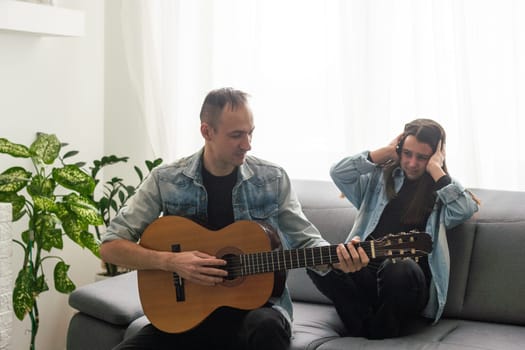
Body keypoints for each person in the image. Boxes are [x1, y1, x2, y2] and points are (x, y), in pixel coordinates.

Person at [99, 87, 363, 350]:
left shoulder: (272, 179)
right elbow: (111, 246)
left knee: (266, 328)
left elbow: (306, 242)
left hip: (257, 314)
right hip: (184, 318)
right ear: (207, 131)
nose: (247, 144)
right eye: (237, 135)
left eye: (250, 133)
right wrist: (172, 261)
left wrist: (339, 261)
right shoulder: (166, 179)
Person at [307, 118, 480, 339]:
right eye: (407, 153)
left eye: (422, 157)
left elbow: (464, 209)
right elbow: (338, 172)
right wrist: (385, 152)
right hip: (364, 275)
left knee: (398, 267)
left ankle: (373, 329)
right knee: (317, 261)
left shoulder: (441, 190)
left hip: (406, 285)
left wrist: (436, 169)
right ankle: (370, 327)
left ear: (435, 156)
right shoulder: (378, 180)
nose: (412, 163)